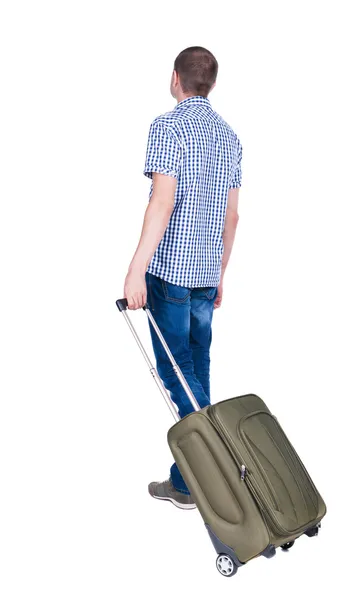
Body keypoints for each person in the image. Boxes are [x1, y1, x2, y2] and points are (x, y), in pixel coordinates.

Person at [123, 46, 242, 509]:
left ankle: (208, 475)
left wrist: (136, 269)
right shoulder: (230, 137)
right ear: (210, 83)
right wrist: (221, 273)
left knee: (178, 377)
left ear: (176, 79)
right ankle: (189, 480)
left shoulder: (167, 126)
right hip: (206, 275)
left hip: (171, 275)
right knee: (197, 371)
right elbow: (233, 218)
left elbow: (162, 202)